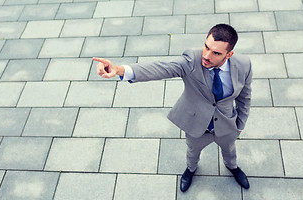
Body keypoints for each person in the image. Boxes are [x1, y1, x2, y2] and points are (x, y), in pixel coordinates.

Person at [93, 24, 252, 191]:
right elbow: (160, 68)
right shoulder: (191, 60)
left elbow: (245, 98)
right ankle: (190, 170)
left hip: (227, 125)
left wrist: (240, 126)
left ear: (229, 54)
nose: (206, 55)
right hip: (196, 125)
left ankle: (232, 167)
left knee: (230, 150)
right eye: (206, 47)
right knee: (192, 152)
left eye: (216, 53)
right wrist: (118, 70)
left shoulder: (243, 65)